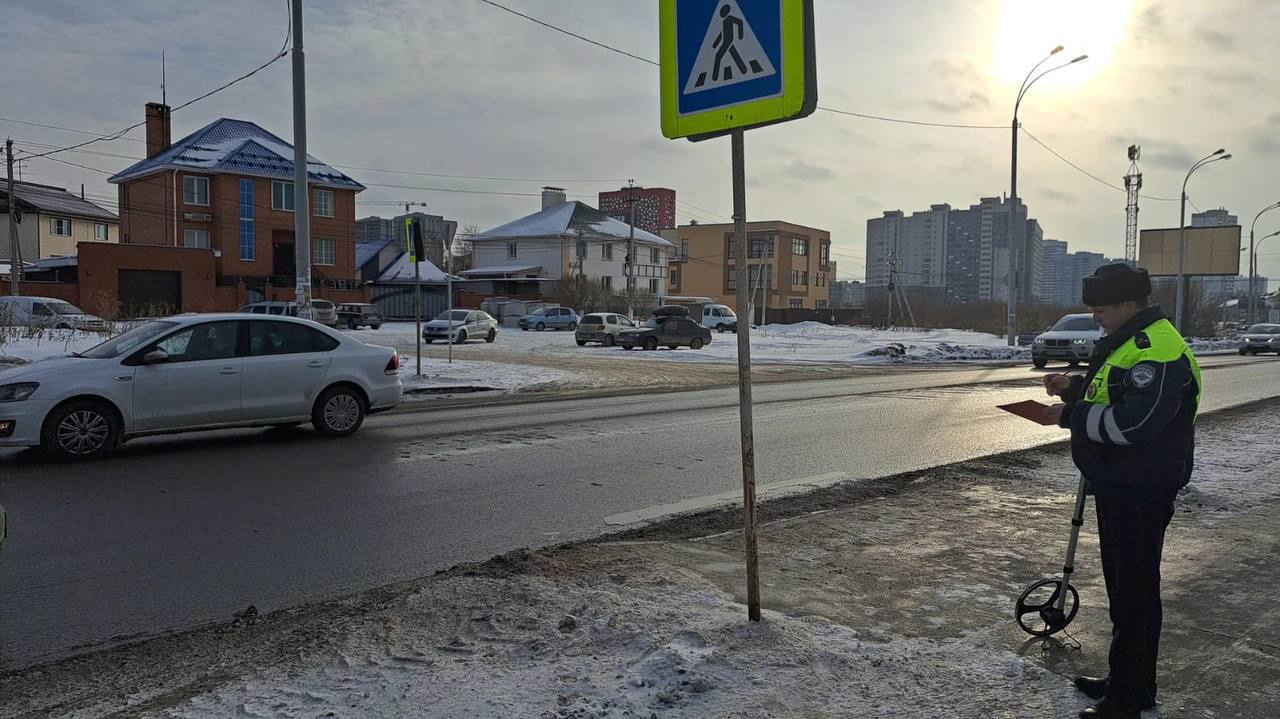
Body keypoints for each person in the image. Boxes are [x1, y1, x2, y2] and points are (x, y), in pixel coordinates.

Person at [1043, 263, 1201, 719]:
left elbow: (1133, 424)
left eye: (1102, 309)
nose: (1096, 317)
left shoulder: (1158, 350)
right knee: (1125, 591)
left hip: (1140, 488)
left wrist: (1067, 418)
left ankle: (1130, 698)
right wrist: (1073, 389)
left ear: (1130, 305)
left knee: (1135, 595)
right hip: (1120, 484)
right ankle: (1126, 679)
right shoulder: (1132, 342)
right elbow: (1114, 392)